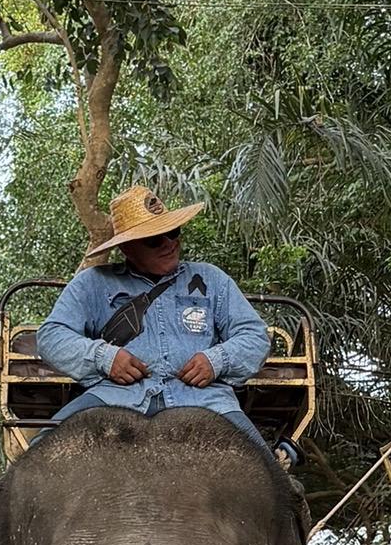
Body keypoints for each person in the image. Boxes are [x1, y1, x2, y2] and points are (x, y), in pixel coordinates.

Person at [36, 183, 274, 449]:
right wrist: (104, 357)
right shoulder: (93, 283)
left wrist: (216, 360)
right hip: (113, 397)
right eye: (154, 239)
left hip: (207, 400)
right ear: (127, 248)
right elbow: (51, 336)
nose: (169, 244)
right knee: (39, 456)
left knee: (268, 473)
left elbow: (255, 336)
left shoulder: (212, 278)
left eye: (173, 232)